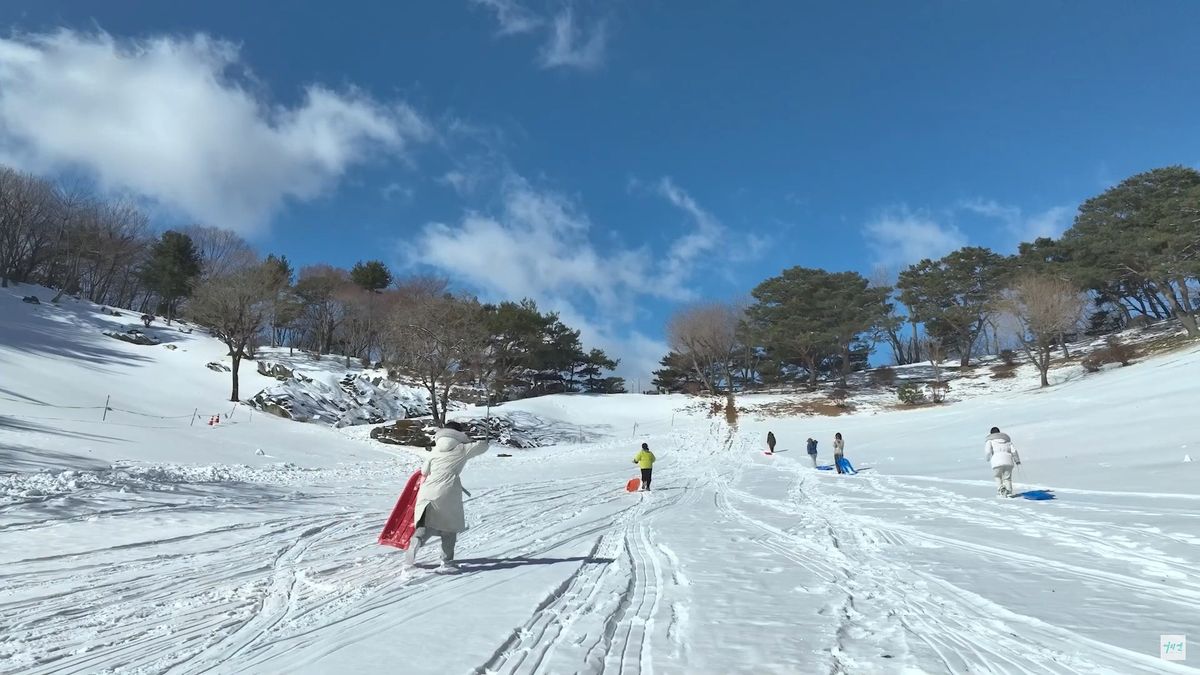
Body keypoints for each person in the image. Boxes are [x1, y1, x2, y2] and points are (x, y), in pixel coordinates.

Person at [407, 421, 489, 571]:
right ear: (459, 434)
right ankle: (447, 563)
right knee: (449, 528)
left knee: (427, 522)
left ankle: (417, 540)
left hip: (427, 490)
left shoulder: (435, 450)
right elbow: (483, 446)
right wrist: (479, 439)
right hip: (448, 490)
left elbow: (424, 472)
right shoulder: (462, 448)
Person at [985, 426, 1021, 497]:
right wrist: (1017, 460)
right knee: (1007, 478)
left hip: (996, 461)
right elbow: (1014, 451)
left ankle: (1000, 490)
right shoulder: (1007, 441)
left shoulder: (990, 441)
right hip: (1008, 461)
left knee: (997, 476)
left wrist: (988, 459)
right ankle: (1009, 492)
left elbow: (988, 451)